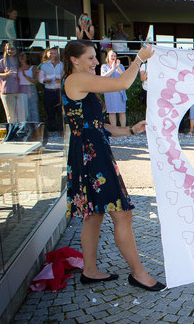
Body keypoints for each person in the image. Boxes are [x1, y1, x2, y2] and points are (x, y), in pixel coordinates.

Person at [62, 39, 164, 291]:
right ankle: (138, 273)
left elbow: (99, 126)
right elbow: (122, 83)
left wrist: (130, 129)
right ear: (74, 60)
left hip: (91, 152)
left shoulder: (81, 82)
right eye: (90, 58)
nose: (96, 62)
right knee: (122, 213)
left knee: (94, 215)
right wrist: (139, 58)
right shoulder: (75, 80)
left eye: (96, 57)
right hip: (91, 155)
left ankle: (90, 270)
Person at [0, 43, 23, 123]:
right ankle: (12, 133)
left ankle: (20, 132)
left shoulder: (19, 60)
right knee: (11, 116)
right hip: (7, 92)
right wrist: (5, 74)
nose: (10, 51)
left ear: (16, 50)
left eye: (12, 49)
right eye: (8, 49)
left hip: (20, 91)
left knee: (21, 115)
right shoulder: (2, 61)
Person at [39, 47, 64, 132]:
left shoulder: (62, 65)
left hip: (59, 91)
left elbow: (66, 77)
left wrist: (60, 80)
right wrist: (45, 80)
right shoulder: (44, 66)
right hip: (48, 92)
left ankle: (61, 131)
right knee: (50, 113)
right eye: (51, 53)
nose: (53, 55)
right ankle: (52, 132)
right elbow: (40, 79)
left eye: (55, 53)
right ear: (47, 54)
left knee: (60, 113)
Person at [101, 49, 127, 127]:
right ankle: (114, 128)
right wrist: (112, 69)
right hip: (110, 91)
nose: (113, 57)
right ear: (108, 57)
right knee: (112, 111)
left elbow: (125, 77)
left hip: (120, 90)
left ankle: (123, 128)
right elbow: (103, 77)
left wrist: (118, 67)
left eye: (114, 56)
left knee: (122, 111)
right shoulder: (104, 66)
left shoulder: (121, 66)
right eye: (111, 55)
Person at [17, 52, 40, 122]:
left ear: (27, 57)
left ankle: (36, 130)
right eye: (20, 55)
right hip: (21, 91)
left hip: (31, 89)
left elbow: (35, 81)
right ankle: (26, 129)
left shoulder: (33, 67)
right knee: (23, 111)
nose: (22, 57)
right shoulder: (17, 69)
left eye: (23, 55)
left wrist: (25, 76)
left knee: (34, 110)